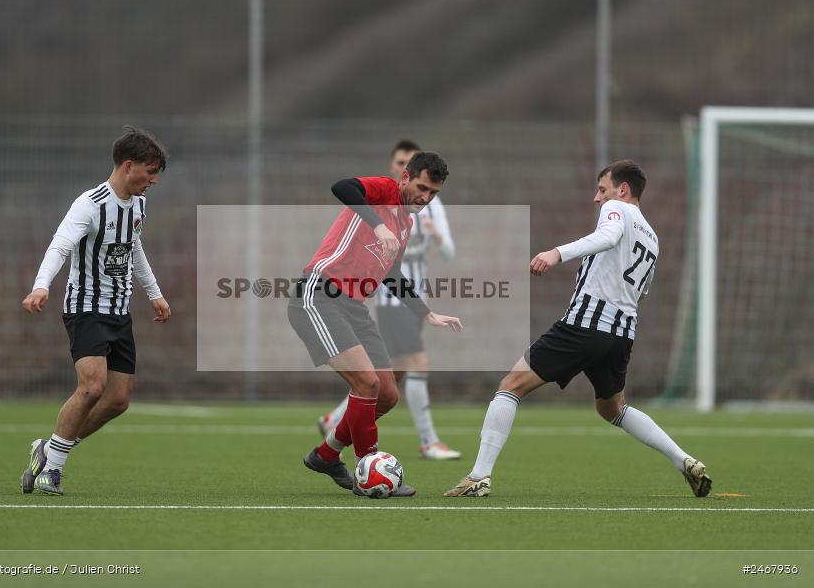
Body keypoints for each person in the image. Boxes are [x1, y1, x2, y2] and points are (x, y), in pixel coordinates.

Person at [444, 160, 712, 498]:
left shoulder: (617, 210)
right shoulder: (652, 237)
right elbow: (641, 289)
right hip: (622, 333)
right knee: (612, 408)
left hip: (587, 324)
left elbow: (607, 235)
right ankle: (683, 460)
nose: (597, 198)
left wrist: (557, 253)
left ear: (622, 190)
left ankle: (479, 476)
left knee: (511, 385)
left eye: (602, 189)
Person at [289, 151, 463, 497]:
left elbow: (392, 274)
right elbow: (342, 187)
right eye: (422, 187)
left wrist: (425, 312)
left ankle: (326, 455)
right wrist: (379, 224)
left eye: (433, 194)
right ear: (405, 178)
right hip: (319, 295)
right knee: (366, 383)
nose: (425, 198)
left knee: (386, 394)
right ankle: (369, 468)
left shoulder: (407, 223)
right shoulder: (384, 191)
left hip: (353, 307)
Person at [19, 126, 171, 496]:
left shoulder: (139, 205)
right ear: (128, 165)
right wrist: (42, 285)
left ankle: (50, 448)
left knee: (117, 400)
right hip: (85, 308)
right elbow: (60, 246)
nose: (153, 181)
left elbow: (133, 249)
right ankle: (51, 470)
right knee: (92, 387)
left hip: (119, 312)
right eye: (149, 172)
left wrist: (154, 292)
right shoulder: (89, 205)